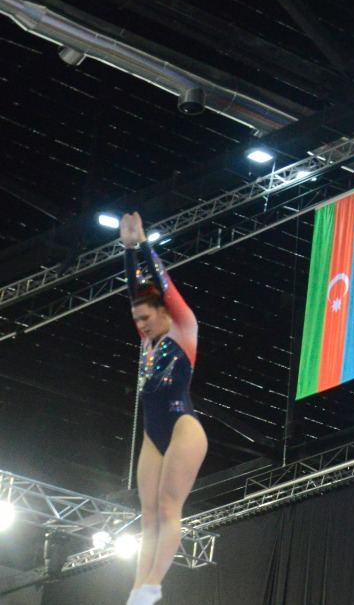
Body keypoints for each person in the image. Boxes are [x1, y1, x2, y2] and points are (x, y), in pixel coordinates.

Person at [120, 212, 206, 605]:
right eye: (136, 320)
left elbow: (161, 286)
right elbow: (137, 293)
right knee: (148, 516)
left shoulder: (183, 326)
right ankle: (138, 590)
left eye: (145, 318)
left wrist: (143, 245)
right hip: (153, 435)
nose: (140, 324)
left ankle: (155, 583)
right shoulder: (149, 341)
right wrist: (127, 251)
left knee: (169, 507)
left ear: (163, 312)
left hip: (182, 427)